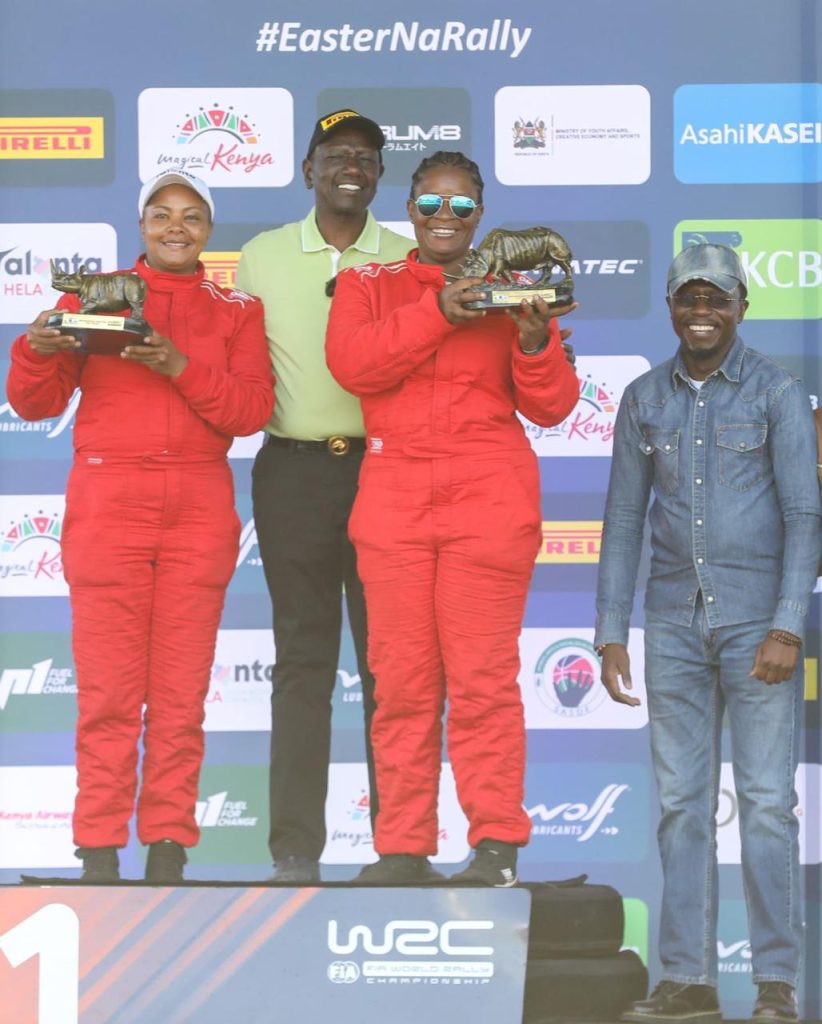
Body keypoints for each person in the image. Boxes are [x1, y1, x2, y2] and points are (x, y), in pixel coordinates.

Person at [6, 169, 274, 883]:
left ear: (209, 230)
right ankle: (97, 851)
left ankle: (167, 850)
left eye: (191, 216)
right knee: (109, 696)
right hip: (109, 498)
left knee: (181, 696)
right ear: (142, 224)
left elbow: (249, 412)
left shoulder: (237, 309)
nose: (176, 228)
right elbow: (32, 402)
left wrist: (179, 366)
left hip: (196, 505)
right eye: (162, 214)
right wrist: (36, 345)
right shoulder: (93, 295)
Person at [325, 150, 579, 886]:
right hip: (395, 501)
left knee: (482, 682)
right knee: (400, 684)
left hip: (488, 500)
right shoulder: (370, 283)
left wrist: (533, 341)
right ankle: (402, 846)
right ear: (408, 211)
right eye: (431, 204)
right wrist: (440, 309)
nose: (445, 218)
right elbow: (355, 366)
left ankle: (496, 844)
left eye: (462, 207)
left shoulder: (517, 287)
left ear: (480, 216)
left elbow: (554, 407)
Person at [595, 243, 821, 1024]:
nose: (702, 311)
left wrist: (790, 625)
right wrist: (609, 629)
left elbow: (804, 515)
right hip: (671, 625)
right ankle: (687, 981)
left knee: (765, 804)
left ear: (741, 307)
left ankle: (776, 985)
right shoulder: (641, 398)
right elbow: (624, 517)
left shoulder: (778, 393)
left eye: (716, 299)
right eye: (689, 297)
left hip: (759, 623)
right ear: (668, 306)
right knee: (682, 805)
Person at [235, 110, 412, 883]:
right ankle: (295, 851)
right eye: (337, 155)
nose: (352, 166)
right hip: (295, 474)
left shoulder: (410, 256)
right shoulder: (261, 256)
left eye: (367, 157)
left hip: (388, 473)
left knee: (392, 668)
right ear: (307, 170)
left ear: (379, 176)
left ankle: (399, 849)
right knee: (303, 663)